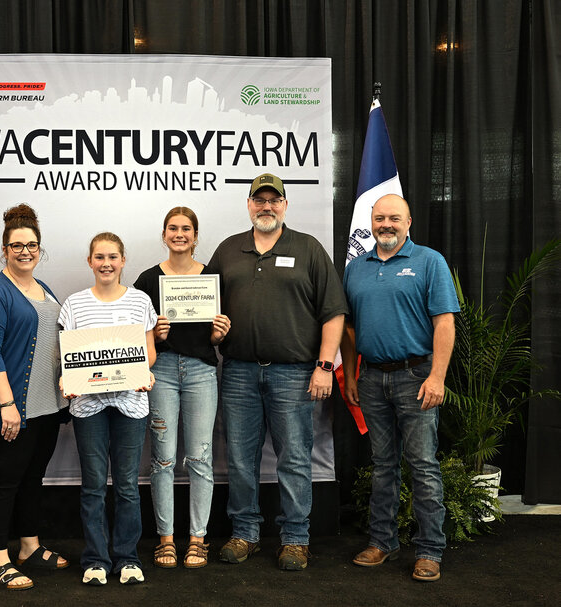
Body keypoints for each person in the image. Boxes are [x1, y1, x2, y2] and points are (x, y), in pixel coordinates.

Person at [208, 173, 346, 571]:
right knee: (240, 457)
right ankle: (245, 532)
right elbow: (204, 308)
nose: (266, 206)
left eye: (274, 200)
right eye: (259, 200)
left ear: (284, 205)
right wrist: (211, 331)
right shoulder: (228, 250)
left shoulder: (308, 248)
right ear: (248, 204)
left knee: (295, 458)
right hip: (238, 372)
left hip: (294, 373)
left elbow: (333, 313)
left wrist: (324, 366)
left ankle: (296, 538)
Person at [341, 194, 459, 582]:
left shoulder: (429, 261)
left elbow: (444, 322)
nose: (385, 225)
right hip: (372, 377)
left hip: (416, 376)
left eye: (394, 218)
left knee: (422, 466)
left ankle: (429, 550)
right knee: (382, 465)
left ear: (408, 222)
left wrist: (437, 376)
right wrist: (354, 377)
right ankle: (383, 542)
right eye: (379, 219)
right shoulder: (356, 268)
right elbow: (350, 328)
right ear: (370, 224)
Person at [0, 204, 70, 591]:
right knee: (4, 482)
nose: (25, 251)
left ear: (40, 249)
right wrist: (7, 404)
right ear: (5, 249)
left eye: (32, 245)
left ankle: (29, 546)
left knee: (31, 479)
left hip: (43, 408)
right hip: (6, 410)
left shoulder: (44, 289)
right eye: (17, 245)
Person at [133, 207, 230, 569]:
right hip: (163, 373)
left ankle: (198, 539)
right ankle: (166, 539)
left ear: (195, 235)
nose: (179, 234)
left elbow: (218, 334)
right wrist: (154, 338)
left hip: (202, 372)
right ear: (164, 234)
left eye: (185, 229)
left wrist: (220, 334)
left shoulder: (213, 278)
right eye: (173, 228)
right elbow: (138, 338)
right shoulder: (147, 279)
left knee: (201, 458)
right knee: (163, 459)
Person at [58, 232, 157, 586]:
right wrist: (66, 379)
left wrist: (144, 372)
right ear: (90, 261)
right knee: (94, 485)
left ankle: (128, 558)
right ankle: (96, 559)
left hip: (131, 403)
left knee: (128, 484)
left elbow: (149, 352)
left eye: (113, 257)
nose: (106, 263)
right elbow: (69, 357)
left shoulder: (140, 301)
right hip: (88, 406)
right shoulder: (73, 304)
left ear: (123, 260)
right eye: (99, 257)